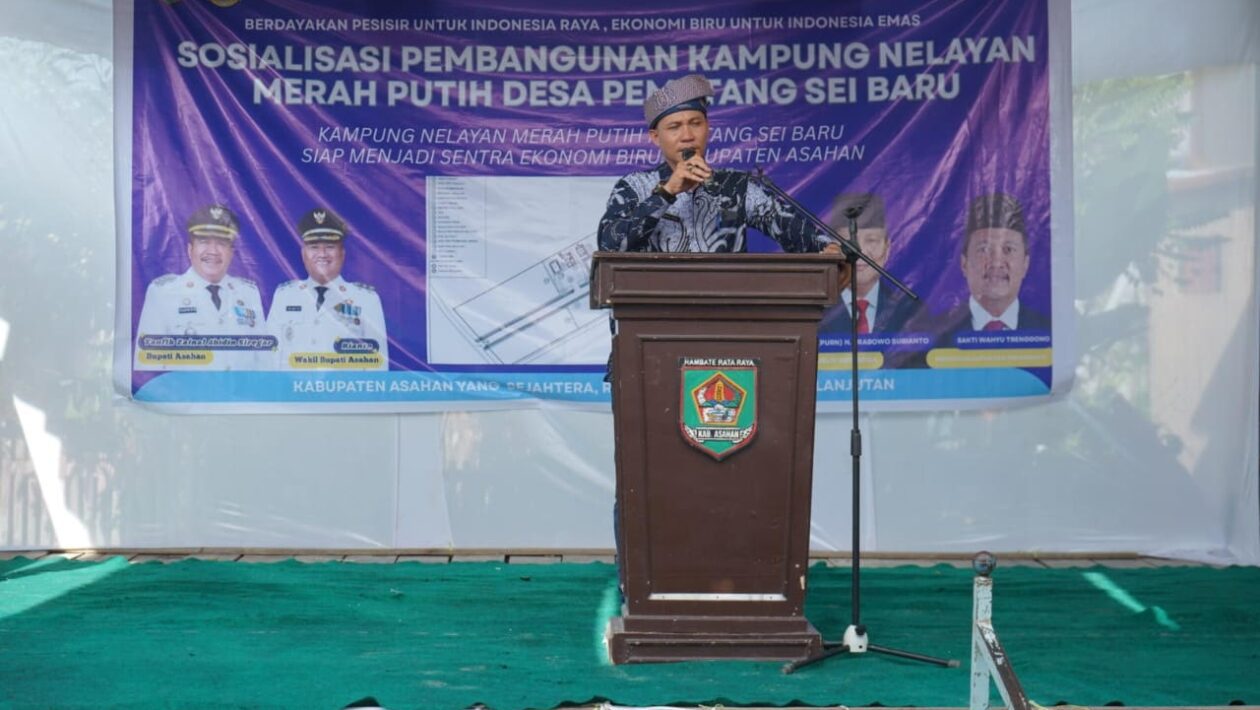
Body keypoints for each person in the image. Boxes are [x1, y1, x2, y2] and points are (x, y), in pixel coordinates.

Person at [597, 73, 842, 256]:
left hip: (728, 308)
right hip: (652, 308)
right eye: (674, 127)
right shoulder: (634, 187)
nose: (687, 135)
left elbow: (799, 234)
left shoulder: (735, 186)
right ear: (655, 137)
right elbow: (610, 246)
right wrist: (667, 192)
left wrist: (827, 249)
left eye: (696, 123)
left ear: (708, 128)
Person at [134, 204, 268, 370]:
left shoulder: (248, 293)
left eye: (222, 243)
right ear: (190, 250)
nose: (213, 251)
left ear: (231, 252)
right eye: (204, 242)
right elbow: (148, 366)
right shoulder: (163, 294)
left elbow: (264, 363)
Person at [267, 208, 389, 370]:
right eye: (314, 247)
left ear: (342, 253)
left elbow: (377, 365)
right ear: (303, 254)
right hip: (293, 387)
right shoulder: (285, 296)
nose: (322, 254)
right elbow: (270, 359)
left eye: (330, 246)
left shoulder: (366, 299)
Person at [942, 192, 1050, 338]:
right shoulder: (938, 333)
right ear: (964, 263)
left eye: (1008, 249)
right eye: (984, 249)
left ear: (1025, 264)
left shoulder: (1050, 331)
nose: (997, 262)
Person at [818, 193, 917, 336]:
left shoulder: (911, 311)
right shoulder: (814, 309)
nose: (860, 251)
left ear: (887, 248)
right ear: (833, 247)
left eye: (871, 240)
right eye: (848, 242)